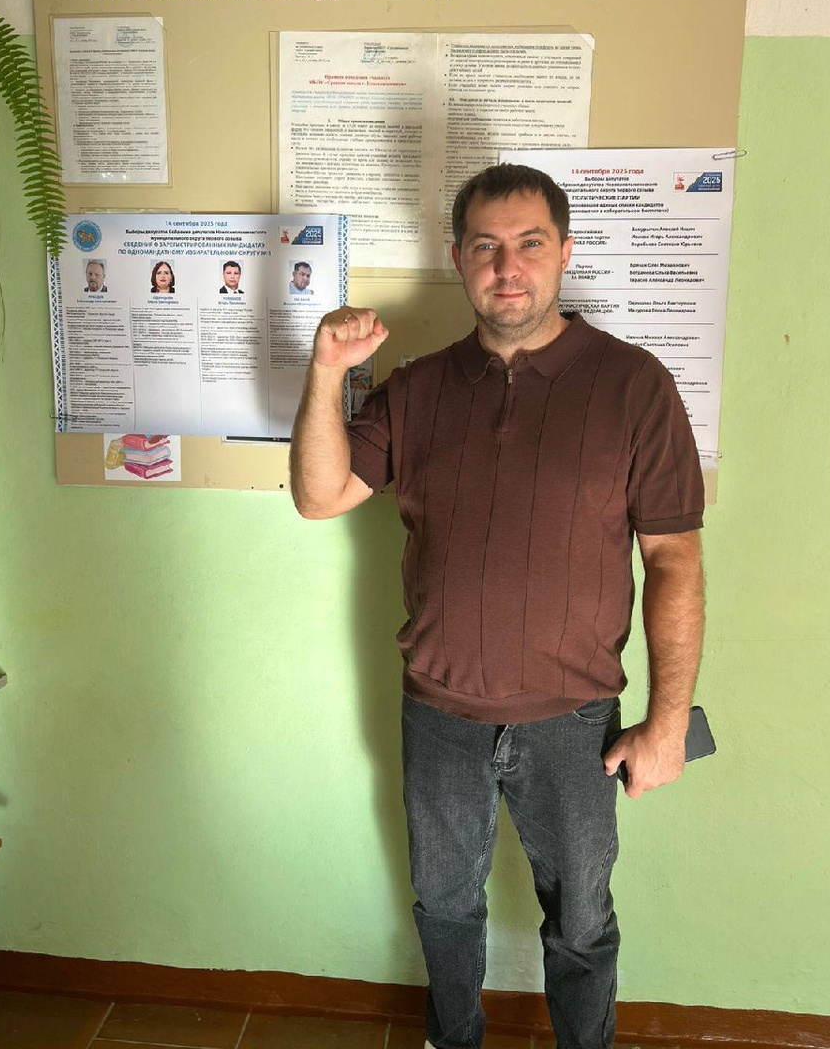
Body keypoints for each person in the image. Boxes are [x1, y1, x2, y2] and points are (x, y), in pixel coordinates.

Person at [290, 163, 705, 1049]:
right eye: (485, 246)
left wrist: (668, 723)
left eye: (528, 243)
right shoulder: (418, 388)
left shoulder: (634, 386)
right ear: (458, 259)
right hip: (440, 715)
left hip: (575, 721)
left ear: (565, 252)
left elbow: (673, 559)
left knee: (582, 920)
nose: (506, 266)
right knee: (444, 908)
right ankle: (454, 1039)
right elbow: (320, 495)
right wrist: (326, 373)